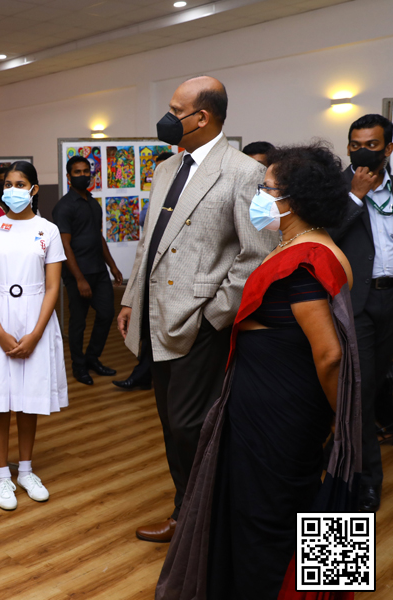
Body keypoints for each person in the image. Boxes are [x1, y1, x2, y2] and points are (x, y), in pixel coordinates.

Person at [157, 143, 361, 600]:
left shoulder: (307, 258)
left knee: (265, 516)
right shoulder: (309, 246)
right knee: (275, 507)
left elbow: (329, 354)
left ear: (294, 200)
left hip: (279, 409)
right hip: (271, 399)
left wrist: (342, 420)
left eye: (267, 189)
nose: (259, 196)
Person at [117, 76, 275, 543]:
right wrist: (130, 299)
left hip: (200, 321)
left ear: (201, 117)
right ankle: (187, 512)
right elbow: (150, 243)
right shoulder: (166, 168)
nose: (166, 118)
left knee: (189, 423)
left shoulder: (243, 172)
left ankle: (201, 515)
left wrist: (214, 315)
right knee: (171, 420)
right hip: (155, 315)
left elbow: (257, 254)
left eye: (174, 109)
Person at [0, 161, 68, 511]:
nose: (13, 189)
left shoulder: (48, 231)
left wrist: (36, 332)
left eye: (21, 183)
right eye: (8, 183)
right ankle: (1, 475)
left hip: (36, 316)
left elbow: (54, 286)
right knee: (0, 399)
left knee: (29, 398)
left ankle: (25, 470)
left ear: (34, 189)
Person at [328, 113, 393, 513]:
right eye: (354, 144)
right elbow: (322, 237)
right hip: (361, 304)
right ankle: (366, 481)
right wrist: (354, 196)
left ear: (388, 148)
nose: (361, 151)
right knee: (362, 395)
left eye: (371, 144)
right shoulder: (336, 190)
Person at [52, 155, 122, 385]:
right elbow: (65, 245)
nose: (82, 176)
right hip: (77, 274)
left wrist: (112, 265)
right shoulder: (64, 207)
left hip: (99, 271)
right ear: (68, 175)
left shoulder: (93, 203)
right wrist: (79, 279)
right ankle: (78, 366)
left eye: (85, 172)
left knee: (106, 314)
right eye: (77, 172)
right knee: (78, 322)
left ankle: (92, 358)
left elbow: (97, 236)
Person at [113, 151, 175, 391]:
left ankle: (145, 376)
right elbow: (143, 223)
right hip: (151, 278)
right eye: (156, 170)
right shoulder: (156, 197)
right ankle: (144, 376)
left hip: (173, 281)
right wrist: (129, 300)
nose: (159, 174)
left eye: (164, 169)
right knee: (149, 332)